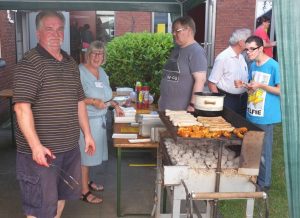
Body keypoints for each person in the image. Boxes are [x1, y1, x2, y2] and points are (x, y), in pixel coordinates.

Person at [13, 11, 95, 218]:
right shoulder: (29, 64)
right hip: (42, 154)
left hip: (69, 148)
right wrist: (35, 146)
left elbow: (79, 102)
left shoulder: (69, 63)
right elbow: (21, 108)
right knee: (39, 206)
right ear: (38, 31)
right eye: (49, 29)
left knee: (61, 198)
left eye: (59, 29)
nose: (55, 33)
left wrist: (87, 134)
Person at [79, 40, 124, 204]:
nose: (98, 56)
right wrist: (92, 101)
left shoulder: (102, 72)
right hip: (86, 121)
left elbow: (106, 95)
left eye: (101, 53)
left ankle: (87, 181)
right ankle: (83, 191)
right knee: (85, 156)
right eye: (94, 53)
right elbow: (74, 96)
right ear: (88, 54)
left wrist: (114, 104)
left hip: (100, 121)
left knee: (91, 155)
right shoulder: (80, 71)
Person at [235, 35, 281, 191]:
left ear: (261, 48)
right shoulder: (253, 65)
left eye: (251, 49)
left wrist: (261, 85)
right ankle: (250, 179)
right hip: (251, 113)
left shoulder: (274, 66)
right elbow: (252, 87)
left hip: (266, 115)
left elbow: (281, 91)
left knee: (263, 152)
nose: (248, 52)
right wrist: (244, 85)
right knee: (251, 148)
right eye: (246, 49)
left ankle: (264, 184)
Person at [158, 16, 207, 112]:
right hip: (165, 108)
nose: (173, 34)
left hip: (181, 112)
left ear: (188, 30)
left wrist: (192, 105)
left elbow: (200, 80)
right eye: (173, 31)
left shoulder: (196, 52)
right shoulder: (176, 49)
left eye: (177, 30)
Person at [208, 28, 251, 117]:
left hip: (242, 99)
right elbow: (212, 83)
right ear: (241, 42)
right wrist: (220, 103)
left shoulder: (241, 57)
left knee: (241, 127)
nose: (250, 43)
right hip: (227, 100)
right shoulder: (223, 58)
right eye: (248, 40)